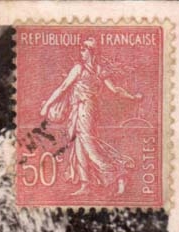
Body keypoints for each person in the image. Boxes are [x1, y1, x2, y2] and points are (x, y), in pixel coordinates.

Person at [40, 37, 143, 197]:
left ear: (91, 52)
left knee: (87, 142)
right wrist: (133, 97)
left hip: (84, 108)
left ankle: (118, 173)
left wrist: (47, 105)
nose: (81, 50)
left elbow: (64, 88)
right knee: (78, 144)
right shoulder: (98, 69)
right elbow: (114, 89)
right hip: (82, 108)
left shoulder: (80, 68)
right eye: (81, 48)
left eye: (84, 48)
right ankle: (85, 183)